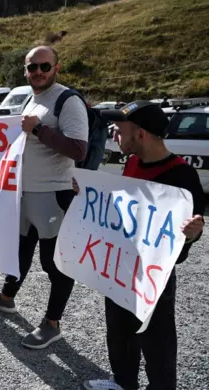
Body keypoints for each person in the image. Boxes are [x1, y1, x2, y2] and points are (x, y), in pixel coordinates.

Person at [0, 46, 89, 349]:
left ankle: (52, 324)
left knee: (54, 264)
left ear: (56, 68)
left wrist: (38, 129)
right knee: (19, 251)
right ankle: (6, 298)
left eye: (44, 66)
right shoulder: (30, 98)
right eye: (32, 67)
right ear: (25, 70)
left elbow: (79, 149)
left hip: (53, 195)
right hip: (25, 193)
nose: (38, 71)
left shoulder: (68, 100)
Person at [83, 101, 205, 390]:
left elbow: (187, 234)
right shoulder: (134, 162)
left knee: (156, 341)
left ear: (140, 134)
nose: (114, 135)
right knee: (119, 333)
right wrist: (90, 195)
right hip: (121, 267)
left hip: (152, 278)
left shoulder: (181, 176)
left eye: (120, 130)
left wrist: (192, 233)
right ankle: (124, 383)